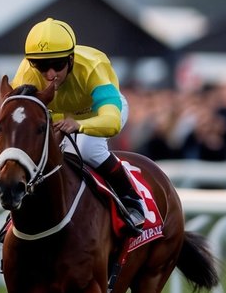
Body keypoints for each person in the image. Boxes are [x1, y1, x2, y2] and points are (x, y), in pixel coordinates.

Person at [11, 17, 146, 230]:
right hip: (57, 116)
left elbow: (111, 121)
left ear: (71, 59)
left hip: (99, 112)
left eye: (57, 65)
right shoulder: (25, 75)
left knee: (88, 148)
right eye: (42, 66)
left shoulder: (94, 65)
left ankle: (131, 199)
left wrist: (79, 125)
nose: (50, 75)